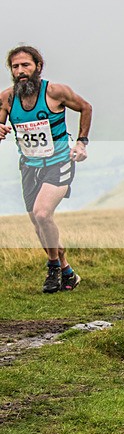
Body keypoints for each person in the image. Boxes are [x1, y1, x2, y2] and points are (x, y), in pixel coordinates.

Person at [0, 46, 93, 293]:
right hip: (29, 166)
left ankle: (52, 267)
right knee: (37, 222)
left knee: (42, 214)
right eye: (15, 67)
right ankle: (67, 272)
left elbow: (86, 107)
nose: (20, 71)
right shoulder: (7, 98)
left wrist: (82, 143)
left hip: (59, 162)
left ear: (38, 66)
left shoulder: (55, 92)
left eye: (25, 66)